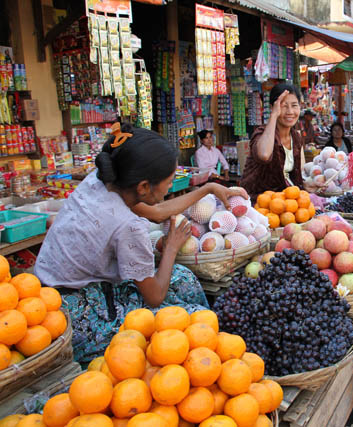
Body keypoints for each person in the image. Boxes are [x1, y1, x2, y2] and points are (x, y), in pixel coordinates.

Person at [34, 123, 248, 363]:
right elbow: (154, 297)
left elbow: (157, 213)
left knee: (183, 278)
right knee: (197, 317)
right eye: (168, 181)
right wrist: (170, 249)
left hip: (51, 293)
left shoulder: (102, 183)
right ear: (144, 187)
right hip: (76, 318)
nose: (171, 186)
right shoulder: (128, 225)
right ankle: (201, 357)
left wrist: (207, 188)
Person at [240, 83, 314, 201]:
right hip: (259, 203)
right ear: (272, 107)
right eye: (284, 106)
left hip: (285, 204)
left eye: (294, 105)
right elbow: (264, 155)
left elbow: (299, 174)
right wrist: (274, 115)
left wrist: (307, 185)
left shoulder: (296, 137)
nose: (290, 111)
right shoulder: (262, 133)